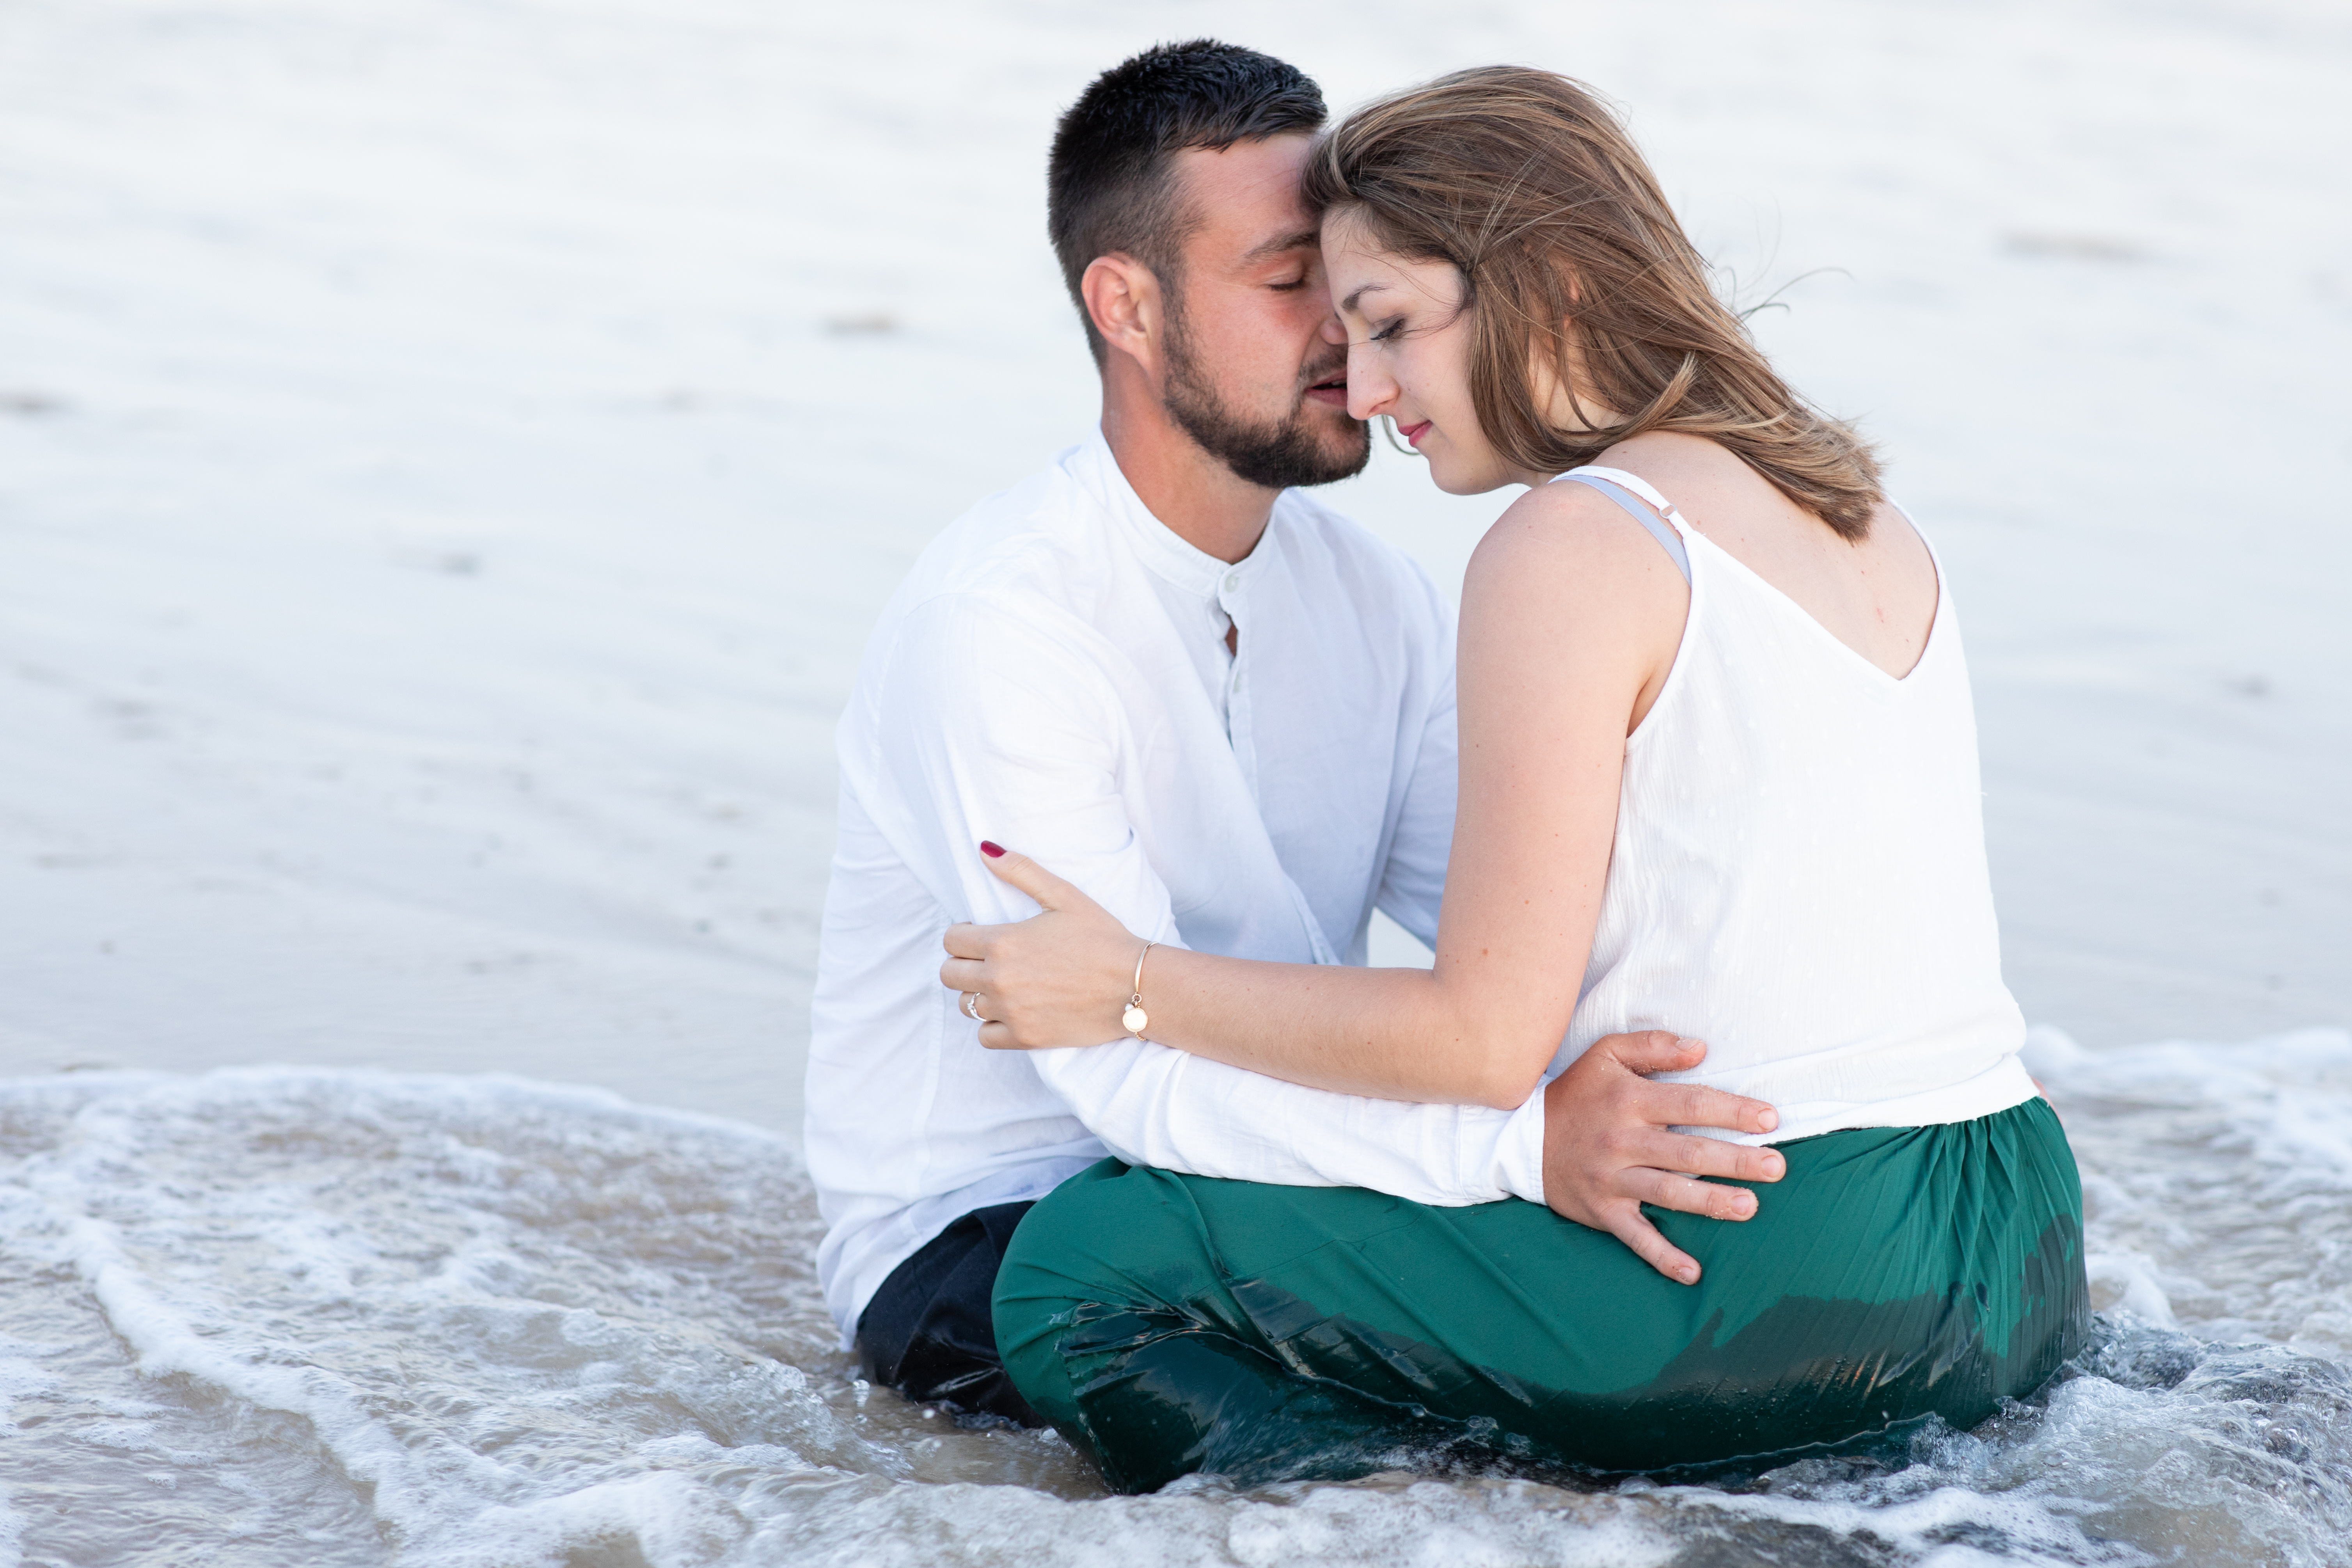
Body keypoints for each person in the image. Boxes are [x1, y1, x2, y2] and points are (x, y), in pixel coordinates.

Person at [946, 66, 2089, 1490]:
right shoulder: (1855, 510)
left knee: (1085, 1262)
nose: (1366, 390)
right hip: (2021, 1238)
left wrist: (1124, 981)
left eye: (1393, 326)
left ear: (1540, 286)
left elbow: (1485, 1035)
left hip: (1800, 1263)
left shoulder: (1572, 542)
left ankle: (1475, 1522)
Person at [805, 43, 1773, 1433]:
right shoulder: (1003, 625)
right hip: (1000, 1236)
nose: (1346, 327)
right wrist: (1524, 1145)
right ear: (1127, 306)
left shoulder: (1374, 596)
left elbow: (1534, 949)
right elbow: (1125, 1074)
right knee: (1472, 1456)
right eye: (1284, 281)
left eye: (1348, 277)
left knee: (1676, 1317)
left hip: (1277, 1178)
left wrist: (1772, 1088)